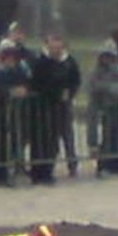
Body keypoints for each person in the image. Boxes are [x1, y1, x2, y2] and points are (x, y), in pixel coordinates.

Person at [29, 36, 81, 183]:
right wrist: (57, 93)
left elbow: (75, 80)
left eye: (59, 48)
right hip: (42, 107)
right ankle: (38, 172)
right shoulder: (40, 63)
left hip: (62, 107)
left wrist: (70, 93)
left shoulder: (69, 62)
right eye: (53, 48)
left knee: (54, 142)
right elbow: (37, 84)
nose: (56, 51)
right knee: (41, 141)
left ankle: (48, 170)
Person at [86, 47, 118, 175]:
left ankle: (117, 162)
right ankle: (103, 164)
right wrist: (111, 87)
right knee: (106, 137)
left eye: (109, 56)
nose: (106, 60)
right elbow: (93, 86)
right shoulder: (95, 72)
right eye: (104, 56)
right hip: (101, 107)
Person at [0, 48, 30, 186]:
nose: (11, 62)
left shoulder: (20, 73)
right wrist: (10, 91)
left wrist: (24, 89)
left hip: (17, 113)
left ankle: (16, 167)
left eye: (13, 59)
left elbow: (27, 83)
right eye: (8, 59)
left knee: (17, 140)